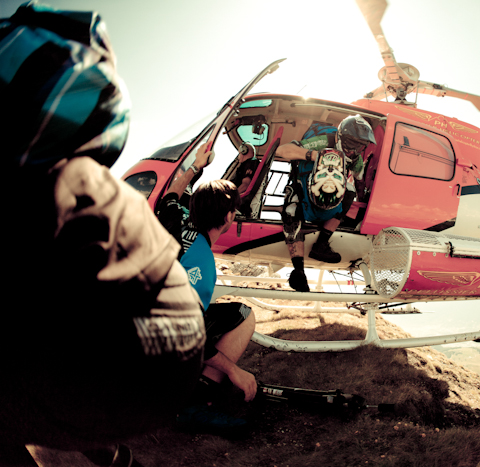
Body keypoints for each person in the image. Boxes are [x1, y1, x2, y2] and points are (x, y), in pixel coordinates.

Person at [1, 4, 205, 467]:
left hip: (109, 366)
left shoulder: (28, 186)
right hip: (179, 344)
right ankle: (113, 457)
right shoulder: (92, 180)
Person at [156, 145, 257, 435]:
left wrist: (195, 167)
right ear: (228, 218)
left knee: (238, 313)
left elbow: (172, 194)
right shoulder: (200, 261)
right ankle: (192, 406)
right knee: (240, 318)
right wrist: (233, 371)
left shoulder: (175, 217)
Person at [276, 115, 376, 292]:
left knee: (349, 191)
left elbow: (359, 178)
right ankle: (298, 270)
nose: (353, 151)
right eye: (351, 144)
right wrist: (315, 155)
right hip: (303, 188)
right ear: (339, 137)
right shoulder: (323, 141)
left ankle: (321, 244)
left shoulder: (356, 158)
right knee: (291, 210)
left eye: (360, 146)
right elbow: (282, 150)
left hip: (329, 195)